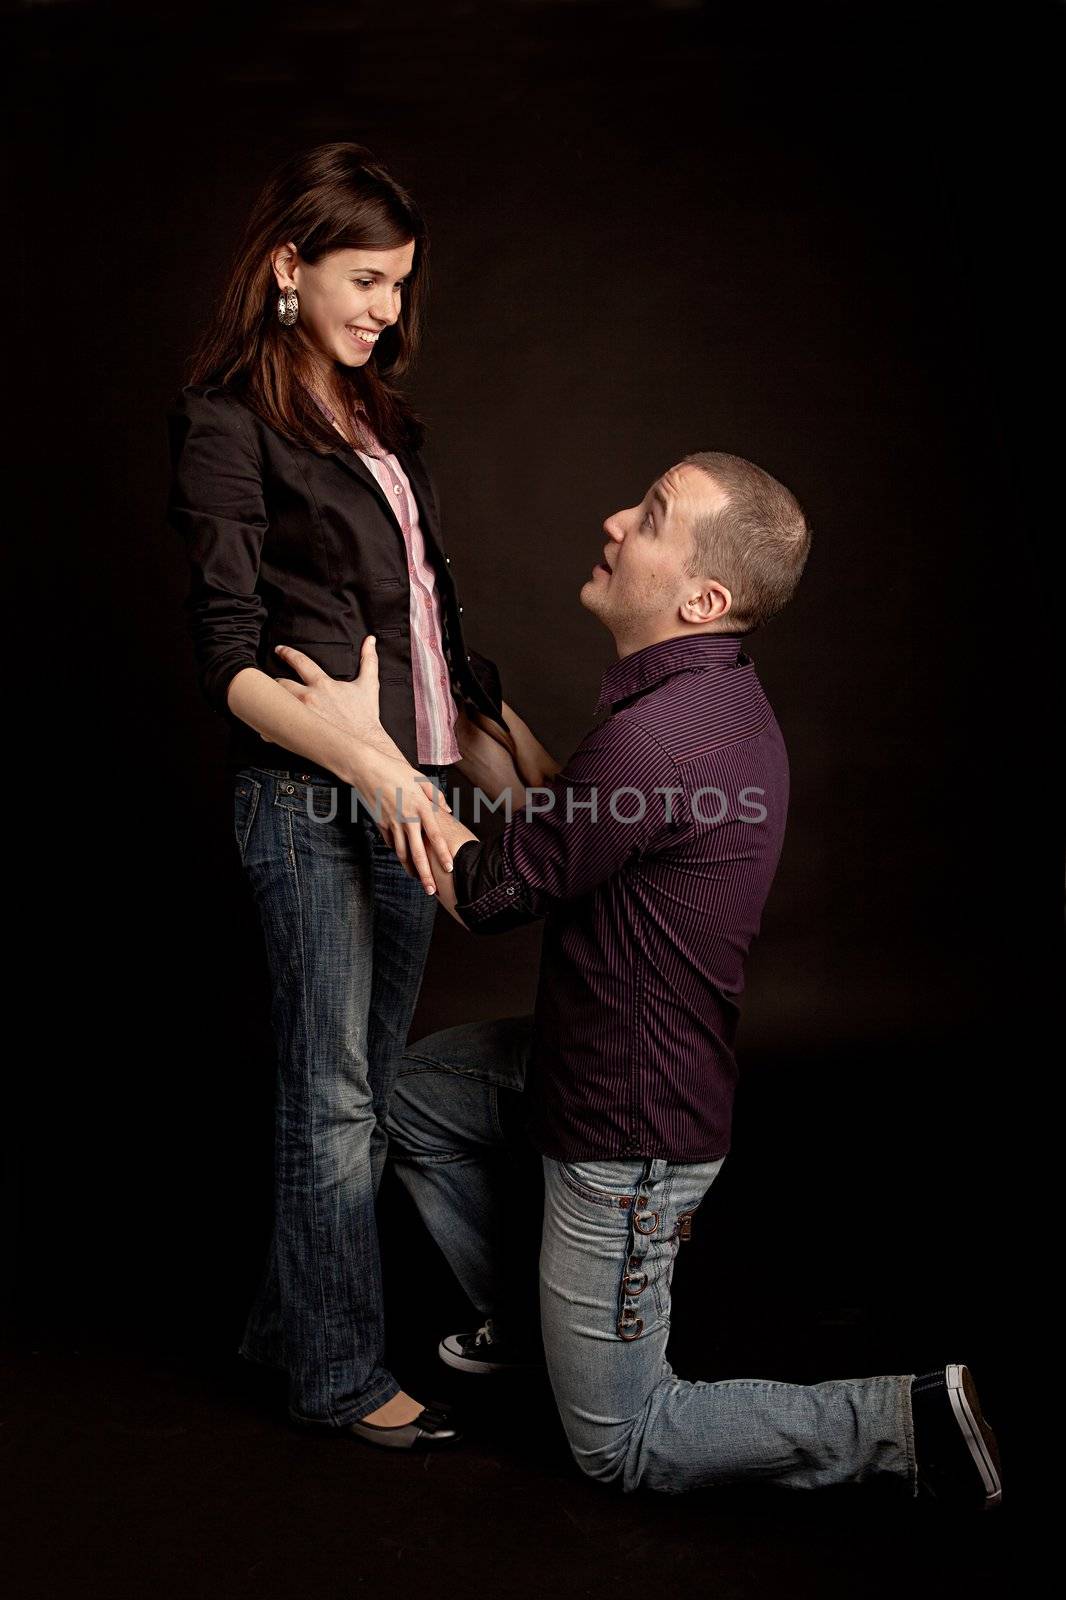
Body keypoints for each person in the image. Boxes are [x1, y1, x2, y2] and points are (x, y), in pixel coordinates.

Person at [270, 450, 1004, 1507]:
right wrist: (474, 710)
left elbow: (482, 893)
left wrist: (362, 753)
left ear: (703, 596)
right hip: (590, 1063)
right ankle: (537, 1323)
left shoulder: (658, 741)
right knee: (413, 1092)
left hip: (628, 1131)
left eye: (652, 518)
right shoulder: (702, 702)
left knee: (623, 1445)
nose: (615, 520)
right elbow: (576, 818)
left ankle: (909, 1419)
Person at [165, 141, 555, 1450]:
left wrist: (492, 745)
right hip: (312, 793)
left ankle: (291, 1327)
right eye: (365, 278)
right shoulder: (226, 422)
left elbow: (432, 619)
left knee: (365, 1085)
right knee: (332, 1093)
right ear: (289, 266)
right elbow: (230, 658)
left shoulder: (381, 419)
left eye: (400, 286)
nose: (387, 309)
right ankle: (334, 1373)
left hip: (416, 785)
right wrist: (382, 769)